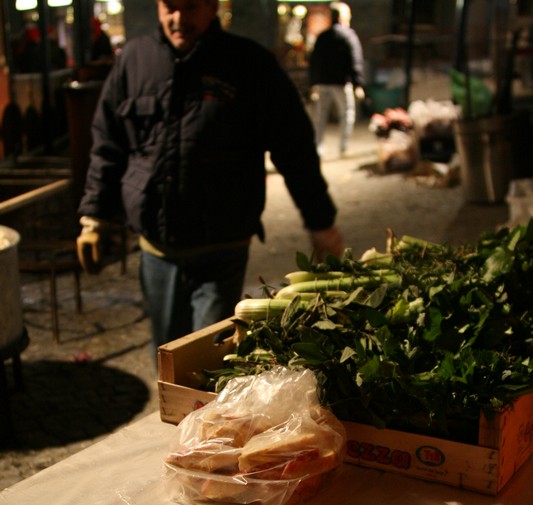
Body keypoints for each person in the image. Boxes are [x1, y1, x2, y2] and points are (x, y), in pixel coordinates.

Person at [77, 0, 343, 352]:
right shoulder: (134, 60)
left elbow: (294, 148)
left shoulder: (249, 64)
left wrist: (320, 221)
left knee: (209, 357)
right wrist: (93, 216)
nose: (178, 19)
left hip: (221, 247)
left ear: (213, 6)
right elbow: (108, 143)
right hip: (157, 249)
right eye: (170, 7)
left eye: (190, 7)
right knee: (168, 353)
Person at [309, 2, 365, 157]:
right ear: (342, 17)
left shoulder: (322, 37)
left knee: (321, 116)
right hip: (341, 83)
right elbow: (355, 60)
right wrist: (358, 84)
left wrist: (313, 83)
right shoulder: (348, 36)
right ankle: (343, 146)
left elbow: (314, 61)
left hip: (322, 83)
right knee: (346, 113)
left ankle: (318, 147)